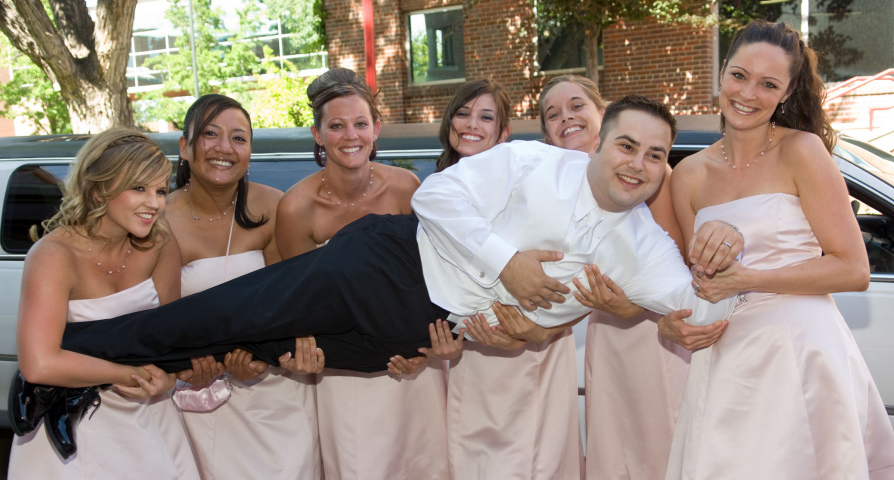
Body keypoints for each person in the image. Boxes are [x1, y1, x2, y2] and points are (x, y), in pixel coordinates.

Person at [53, 97, 735, 395]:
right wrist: (509, 265)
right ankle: (60, 362)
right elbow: (435, 198)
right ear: (599, 141)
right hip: (387, 262)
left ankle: (76, 392)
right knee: (223, 318)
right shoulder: (531, 162)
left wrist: (694, 282)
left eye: (653, 155)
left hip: (414, 332)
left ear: (661, 165)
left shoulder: (644, 247)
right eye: (625, 145)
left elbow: (700, 311)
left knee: (242, 355)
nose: (636, 164)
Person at [665, 21, 894, 479]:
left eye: (768, 84)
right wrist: (673, 324)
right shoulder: (688, 174)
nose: (748, 93)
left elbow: (852, 269)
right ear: (722, 73)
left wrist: (751, 278)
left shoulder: (802, 152)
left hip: (802, 353)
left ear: (786, 94)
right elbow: (695, 284)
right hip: (727, 362)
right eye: (739, 75)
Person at [539, 75, 725, 480]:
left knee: (661, 443)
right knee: (615, 448)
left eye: (576, 106)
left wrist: (633, 306)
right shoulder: (551, 185)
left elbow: (680, 268)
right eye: (553, 114)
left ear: (601, 116)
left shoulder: (648, 175)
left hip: (655, 334)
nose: (565, 118)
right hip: (605, 334)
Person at [274, 67, 450, 480]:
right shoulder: (296, 207)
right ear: (318, 135)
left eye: (360, 124)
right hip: (343, 373)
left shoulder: (407, 187)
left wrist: (422, 351)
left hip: (411, 367)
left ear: (376, 130)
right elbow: (297, 303)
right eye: (336, 126)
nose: (350, 136)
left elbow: (434, 280)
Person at [8, 128, 200, 479]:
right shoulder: (54, 255)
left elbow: (172, 341)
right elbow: (39, 364)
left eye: (161, 190)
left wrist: (169, 380)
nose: (154, 203)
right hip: (75, 432)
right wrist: (127, 374)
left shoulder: (160, 245)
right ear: (98, 188)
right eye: (139, 188)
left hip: (150, 425)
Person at [165, 94, 321, 479]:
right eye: (210, 135)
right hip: (192, 395)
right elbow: (157, 320)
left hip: (272, 392)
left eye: (239, 138)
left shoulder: (274, 206)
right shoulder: (160, 217)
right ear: (185, 147)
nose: (225, 148)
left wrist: (261, 360)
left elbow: (293, 302)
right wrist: (190, 369)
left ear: (250, 152)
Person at [435, 79, 583, 479]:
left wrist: (535, 332)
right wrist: (449, 339)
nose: (472, 124)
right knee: (474, 461)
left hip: (537, 349)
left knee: (538, 461)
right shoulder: (434, 194)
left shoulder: (535, 187)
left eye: (486, 117)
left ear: (503, 134)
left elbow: (564, 267)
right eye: (463, 113)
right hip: (471, 360)